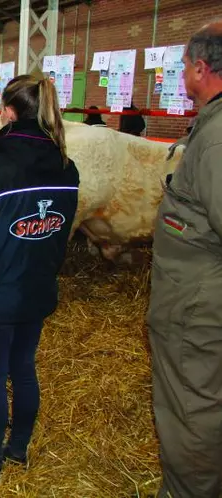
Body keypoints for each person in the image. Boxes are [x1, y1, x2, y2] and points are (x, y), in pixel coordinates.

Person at [0, 75, 79, 483]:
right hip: (37, 286)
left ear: (8, 112)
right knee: (23, 367)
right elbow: (62, 228)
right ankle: (18, 448)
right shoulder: (66, 166)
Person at [147, 21, 222, 498]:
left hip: (198, 307)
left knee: (191, 408)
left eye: (182, 68)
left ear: (200, 67)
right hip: (197, 296)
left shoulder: (217, 138)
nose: (181, 77)